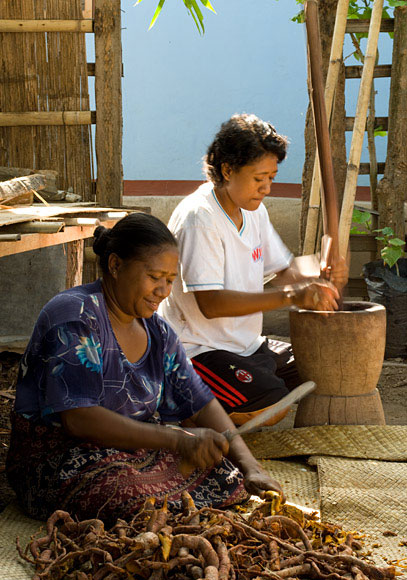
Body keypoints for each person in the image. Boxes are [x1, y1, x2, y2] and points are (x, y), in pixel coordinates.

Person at [6, 212, 286, 526]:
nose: (164, 291)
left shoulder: (159, 333)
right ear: (115, 265)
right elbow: (79, 419)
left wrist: (250, 467)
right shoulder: (76, 315)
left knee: (226, 475)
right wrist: (178, 439)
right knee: (127, 493)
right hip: (59, 460)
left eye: (170, 280)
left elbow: (199, 401)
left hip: (130, 453)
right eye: (154, 277)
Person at [160, 113, 348, 426]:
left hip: (247, 346)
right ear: (227, 170)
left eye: (271, 178)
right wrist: (291, 296)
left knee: (328, 364)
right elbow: (211, 303)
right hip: (197, 351)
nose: (266, 188)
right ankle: (185, 414)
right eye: (258, 178)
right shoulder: (200, 218)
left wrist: (320, 268)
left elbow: (285, 269)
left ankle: (248, 388)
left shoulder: (253, 210)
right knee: (269, 405)